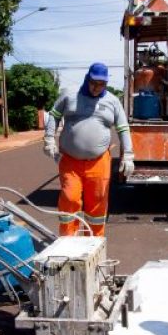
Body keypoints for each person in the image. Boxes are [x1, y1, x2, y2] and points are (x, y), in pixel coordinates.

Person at [43, 63, 135, 236]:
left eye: (102, 84)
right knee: (70, 199)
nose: (97, 88)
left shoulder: (113, 101)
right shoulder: (69, 95)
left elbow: (123, 128)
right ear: (87, 78)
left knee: (98, 203)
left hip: (99, 162)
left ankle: (95, 242)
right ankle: (67, 241)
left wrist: (128, 155)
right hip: (70, 161)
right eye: (94, 83)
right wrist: (49, 138)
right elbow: (54, 116)